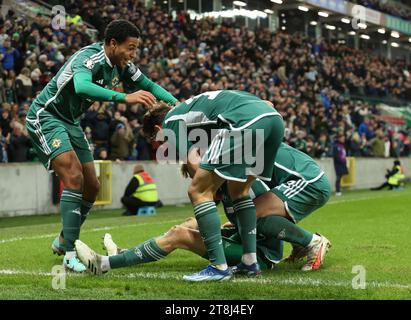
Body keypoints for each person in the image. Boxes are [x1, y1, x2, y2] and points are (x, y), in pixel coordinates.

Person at [25, 19, 178, 273]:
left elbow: (149, 86)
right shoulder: (89, 58)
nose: (133, 54)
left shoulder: (123, 66)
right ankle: (70, 253)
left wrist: (179, 106)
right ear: (113, 43)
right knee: (73, 176)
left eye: (136, 48)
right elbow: (81, 85)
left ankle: (63, 238)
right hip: (46, 116)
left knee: (93, 186)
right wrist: (123, 97)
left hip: (70, 121)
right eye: (130, 48)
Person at [75, 142, 331, 276]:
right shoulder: (221, 186)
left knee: (180, 235)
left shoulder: (239, 180)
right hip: (249, 242)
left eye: (196, 173)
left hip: (261, 255)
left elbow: (255, 217)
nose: (196, 180)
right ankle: (125, 254)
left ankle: (105, 264)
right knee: (186, 226)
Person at [140, 90, 284, 281]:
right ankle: (249, 262)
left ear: (159, 130)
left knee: (197, 191)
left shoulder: (171, 121)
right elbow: (267, 103)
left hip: (245, 123)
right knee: (239, 191)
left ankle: (218, 267)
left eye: (155, 140)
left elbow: (194, 163)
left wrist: (208, 188)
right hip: (274, 120)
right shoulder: (195, 109)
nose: (158, 146)